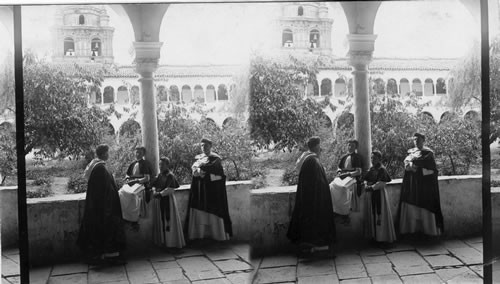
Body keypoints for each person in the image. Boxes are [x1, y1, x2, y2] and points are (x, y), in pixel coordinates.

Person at [77, 144, 126, 265]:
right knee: (107, 231)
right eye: (108, 152)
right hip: (104, 208)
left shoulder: (99, 166)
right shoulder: (100, 168)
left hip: (103, 207)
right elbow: (104, 191)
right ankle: (108, 258)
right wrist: (109, 208)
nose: (109, 154)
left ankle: (107, 257)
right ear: (104, 153)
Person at [287, 137, 336, 256]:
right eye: (320, 146)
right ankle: (314, 250)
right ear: (315, 146)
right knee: (314, 226)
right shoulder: (312, 161)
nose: (321, 149)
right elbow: (317, 183)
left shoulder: (310, 159)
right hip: (314, 201)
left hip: (312, 199)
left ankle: (315, 249)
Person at [186, 138, 232, 241]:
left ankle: (218, 237)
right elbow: (194, 170)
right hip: (200, 190)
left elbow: (219, 174)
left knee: (214, 214)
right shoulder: (200, 158)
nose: (203, 148)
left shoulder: (216, 159)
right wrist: (198, 170)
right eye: (202, 146)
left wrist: (202, 171)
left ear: (210, 146)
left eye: (206, 145)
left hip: (213, 191)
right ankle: (199, 236)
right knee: (200, 212)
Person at [399, 133, 444, 236]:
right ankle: (413, 231)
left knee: (426, 208)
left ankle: (429, 233)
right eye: (414, 140)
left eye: (418, 139)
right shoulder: (411, 152)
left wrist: (417, 168)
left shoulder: (428, 153)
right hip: (412, 185)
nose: (416, 141)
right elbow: (406, 162)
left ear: (423, 140)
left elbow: (432, 170)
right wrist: (410, 165)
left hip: (425, 186)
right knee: (412, 207)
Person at [151, 157, 186, 249]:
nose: (160, 166)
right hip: (160, 200)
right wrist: (154, 191)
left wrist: (159, 194)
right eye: (159, 164)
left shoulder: (170, 175)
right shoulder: (160, 175)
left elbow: (170, 189)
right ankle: (164, 243)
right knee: (162, 221)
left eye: (162, 165)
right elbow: (155, 184)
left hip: (168, 201)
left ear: (167, 165)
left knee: (169, 222)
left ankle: (172, 244)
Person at [363, 150, 396, 244]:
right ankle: (374, 238)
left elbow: (382, 182)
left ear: (379, 159)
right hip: (372, 193)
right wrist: (366, 185)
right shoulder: (371, 168)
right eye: (371, 158)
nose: (373, 160)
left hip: (380, 194)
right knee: (373, 215)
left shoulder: (382, 169)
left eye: (375, 158)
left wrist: (371, 188)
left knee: (380, 215)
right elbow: (366, 178)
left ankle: (383, 239)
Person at [118, 146, 153, 230]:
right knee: (120, 193)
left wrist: (135, 181)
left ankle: (134, 220)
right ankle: (124, 217)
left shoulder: (146, 164)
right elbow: (128, 174)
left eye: (140, 153)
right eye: (136, 152)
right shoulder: (132, 163)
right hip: (131, 183)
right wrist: (127, 178)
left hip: (140, 184)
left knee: (132, 194)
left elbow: (147, 178)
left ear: (143, 154)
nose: (137, 154)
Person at [330, 139, 363, 225]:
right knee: (331, 186)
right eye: (349, 145)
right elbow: (339, 168)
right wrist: (339, 172)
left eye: (352, 146)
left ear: (356, 147)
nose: (350, 147)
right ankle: (335, 210)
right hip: (342, 177)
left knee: (343, 188)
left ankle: (344, 214)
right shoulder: (344, 156)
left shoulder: (357, 157)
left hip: (352, 178)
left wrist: (348, 174)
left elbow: (359, 171)